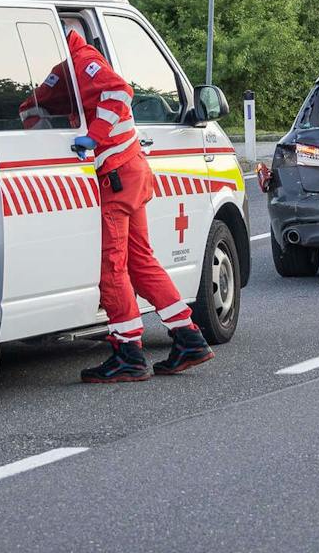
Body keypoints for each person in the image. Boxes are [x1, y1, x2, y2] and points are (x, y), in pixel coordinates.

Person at [58, 29, 214, 383]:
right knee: (142, 262)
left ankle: (128, 352)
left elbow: (119, 92)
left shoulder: (82, 60)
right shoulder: (69, 64)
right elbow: (40, 98)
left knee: (113, 269)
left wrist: (92, 136)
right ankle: (189, 337)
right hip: (132, 171)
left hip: (116, 177)